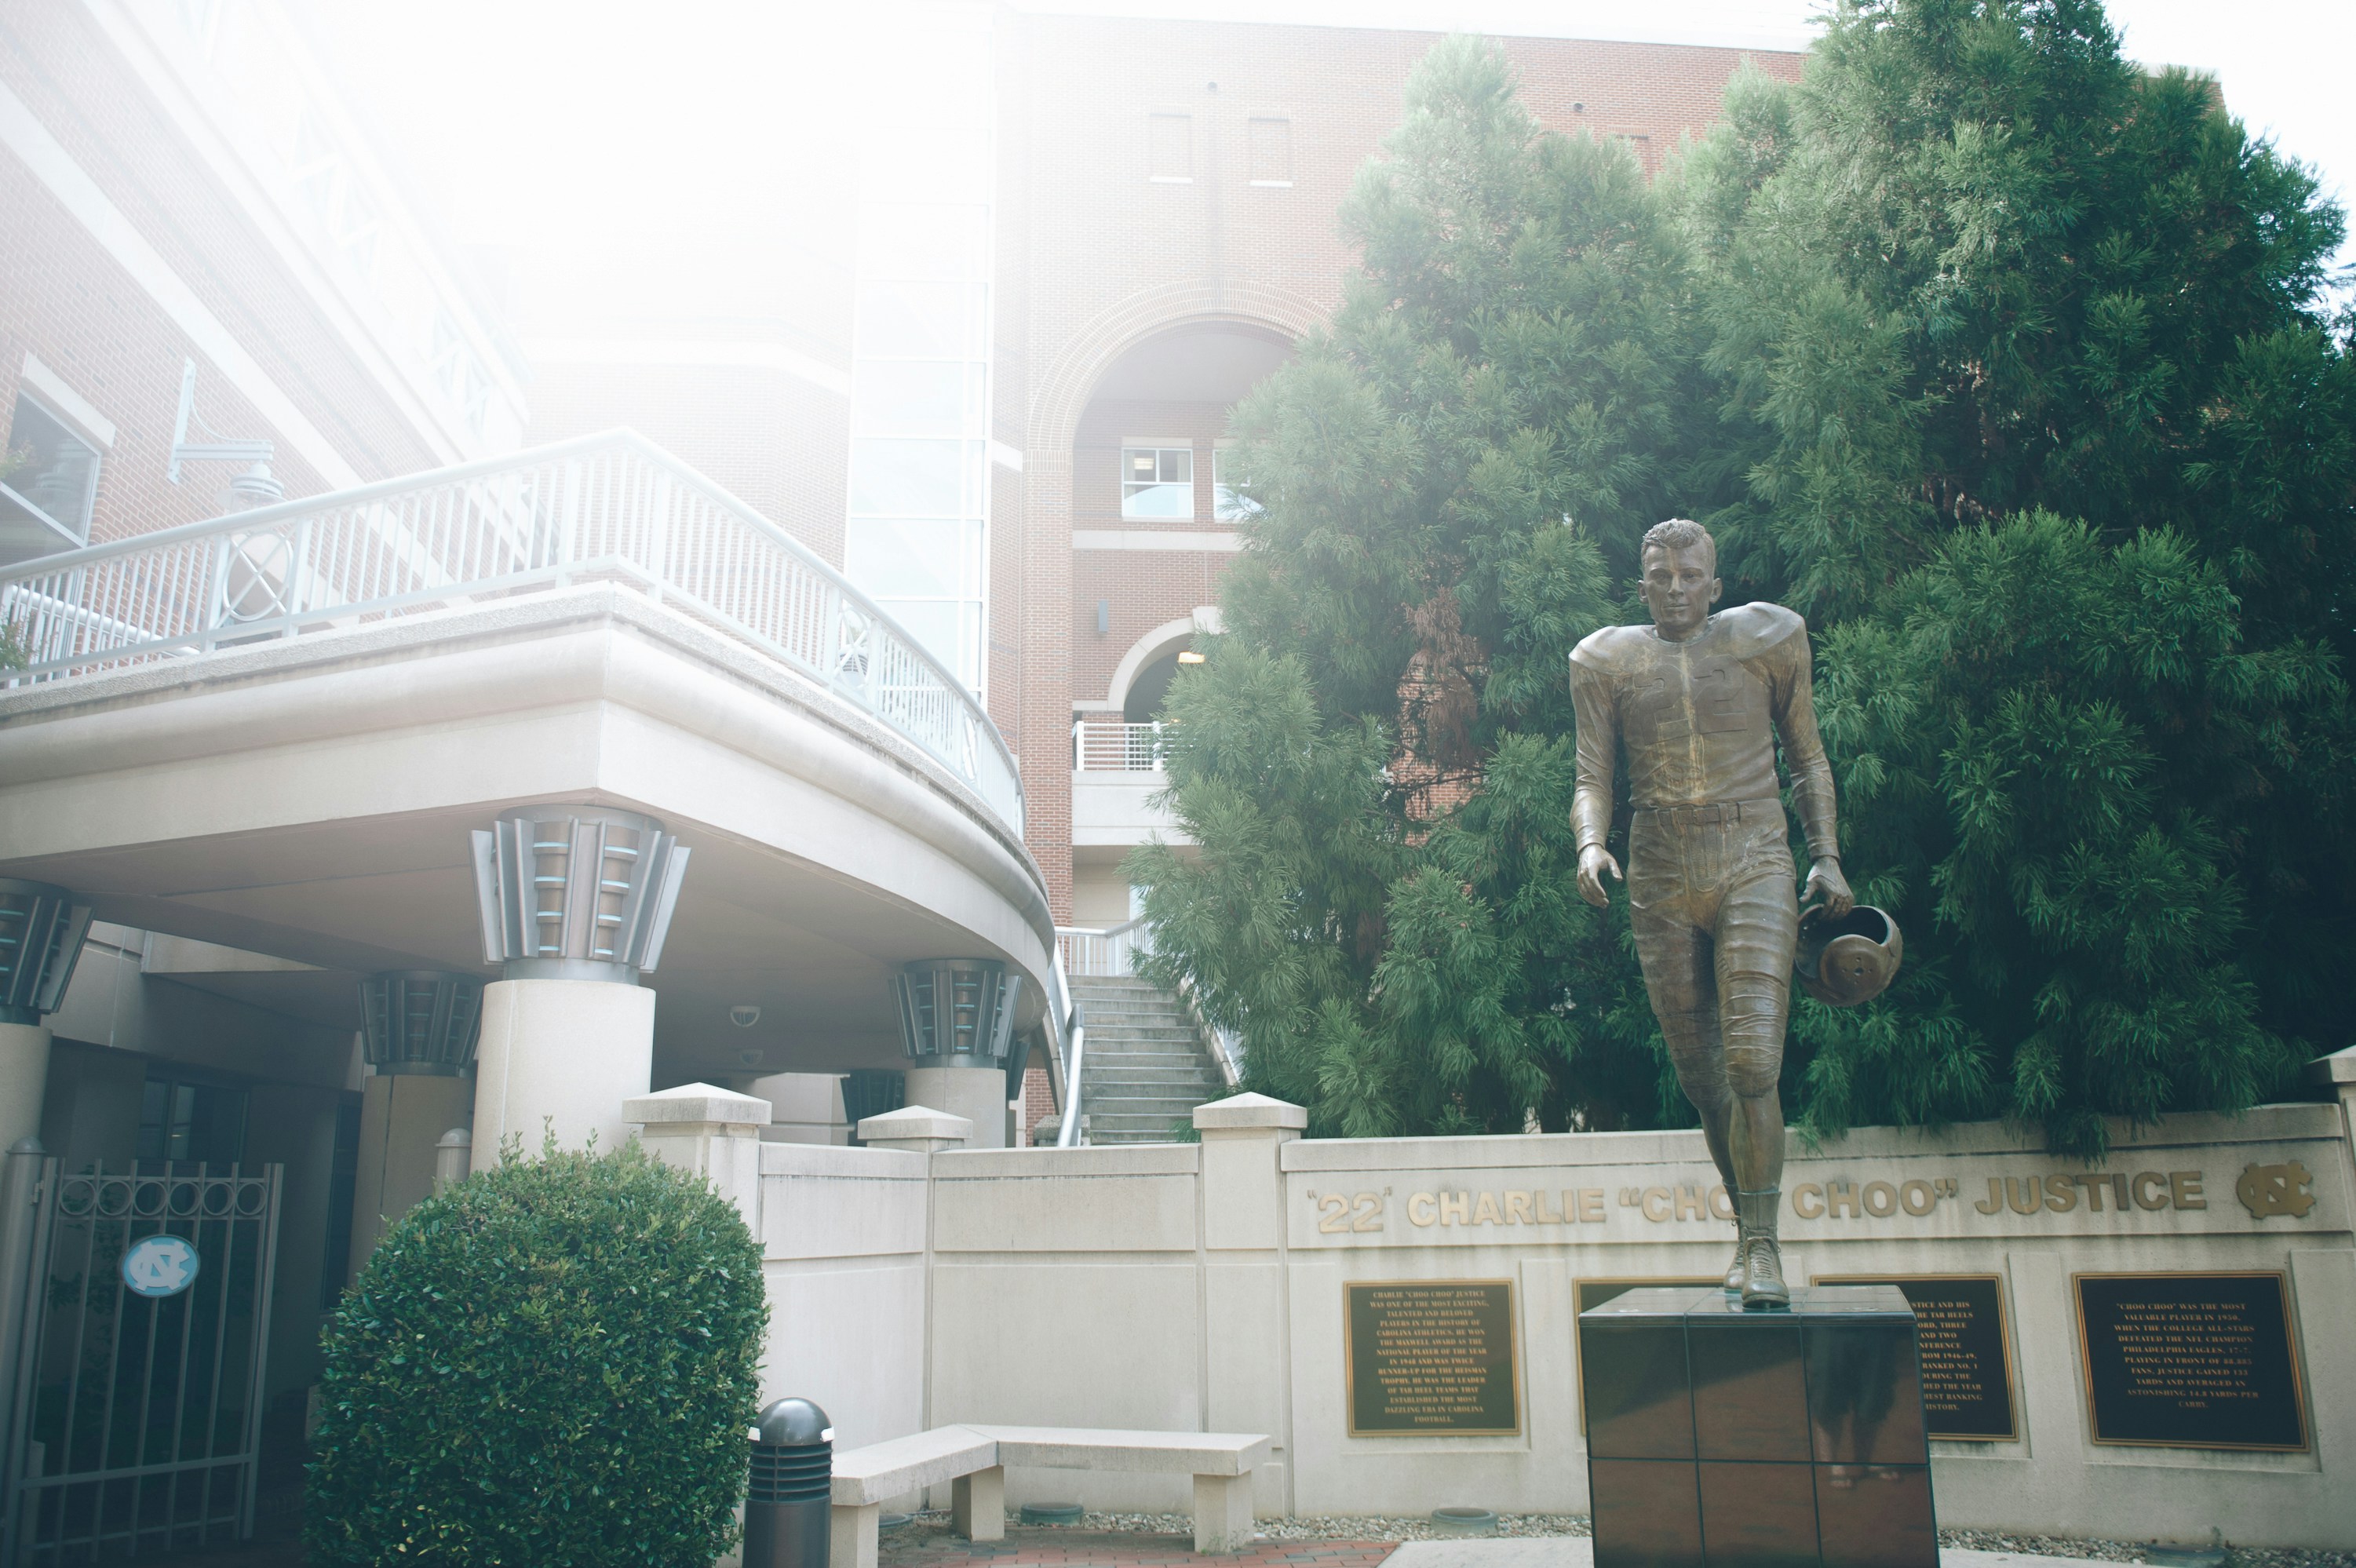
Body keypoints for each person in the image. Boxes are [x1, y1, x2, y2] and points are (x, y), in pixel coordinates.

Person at [1568, 519, 1852, 1307]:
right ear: (1641, 583)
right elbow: (1591, 775)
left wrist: (1824, 854)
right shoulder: (1604, 662)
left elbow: (1806, 755)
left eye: (1689, 575)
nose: (1674, 589)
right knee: (1702, 1081)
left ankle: (1764, 1248)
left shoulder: (1769, 640)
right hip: (1658, 867)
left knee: (1752, 1061)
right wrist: (1590, 843)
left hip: (1752, 854)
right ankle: (1743, 1231)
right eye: (1660, 575)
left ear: (1714, 585)